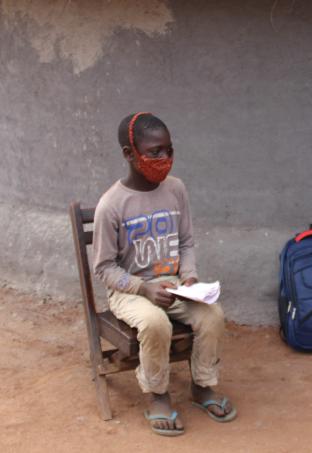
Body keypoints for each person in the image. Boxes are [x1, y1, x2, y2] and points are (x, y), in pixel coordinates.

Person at [93, 112, 236, 436]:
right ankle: (157, 395)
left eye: (169, 150)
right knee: (155, 323)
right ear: (129, 154)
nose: (164, 158)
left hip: (175, 287)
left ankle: (203, 386)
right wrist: (143, 289)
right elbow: (104, 267)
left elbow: (185, 242)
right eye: (154, 151)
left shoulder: (176, 190)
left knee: (213, 314)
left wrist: (189, 277)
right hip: (130, 292)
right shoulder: (111, 205)